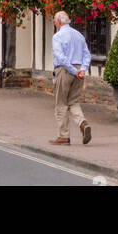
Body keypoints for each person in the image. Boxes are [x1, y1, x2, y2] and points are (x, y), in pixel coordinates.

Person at [50, 11, 92, 146]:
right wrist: (82, 70)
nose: (54, 23)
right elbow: (87, 54)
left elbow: (61, 57)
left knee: (61, 103)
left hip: (65, 71)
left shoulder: (57, 36)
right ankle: (83, 123)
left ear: (59, 22)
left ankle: (63, 136)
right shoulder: (78, 35)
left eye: (55, 21)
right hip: (79, 70)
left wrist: (74, 71)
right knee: (73, 102)